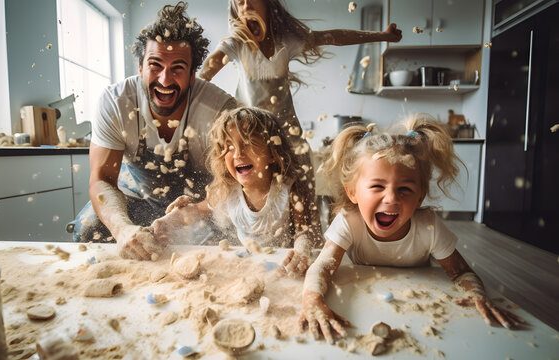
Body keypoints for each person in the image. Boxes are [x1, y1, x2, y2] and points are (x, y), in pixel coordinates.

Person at [299, 116, 526, 344]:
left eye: (405, 188)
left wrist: (477, 294)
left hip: (416, 314)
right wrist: (311, 300)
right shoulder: (349, 220)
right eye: (377, 186)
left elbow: (461, 273)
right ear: (352, 192)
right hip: (363, 306)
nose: (391, 198)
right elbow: (323, 266)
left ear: (420, 196)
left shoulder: (429, 226)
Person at [197, 0, 403, 250]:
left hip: (291, 141)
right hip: (255, 145)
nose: (245, 5)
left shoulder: (287, 41)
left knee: (306, 206)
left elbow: (334, 37)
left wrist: (382, 35)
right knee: (257, 202)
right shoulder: (236, 43)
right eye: (238, 2)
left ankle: (311, 256)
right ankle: (260, 250)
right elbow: (204, 75)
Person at [69, 2, 237, 254]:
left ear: (193, 75)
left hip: (199, 204)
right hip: (136, 199)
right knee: (88, 228)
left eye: (177, 69)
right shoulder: (116, 102)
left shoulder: (220, 110)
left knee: (224, 242)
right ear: (140, 68)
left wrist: (190, 212)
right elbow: (102, 180)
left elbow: (235, 183)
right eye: (155, 65)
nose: (165, 80)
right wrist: (123, 229)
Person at [131, 107, 319, 275]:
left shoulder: (289, 188)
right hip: (247, 266)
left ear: (272, 153)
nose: (238, 153)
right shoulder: (226, 191)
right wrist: (165, 224)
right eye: (228, 146)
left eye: (248, 143)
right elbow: (195, 211)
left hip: (283, 265)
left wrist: (301, 251)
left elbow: (304, 232)